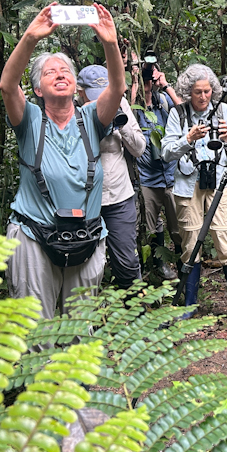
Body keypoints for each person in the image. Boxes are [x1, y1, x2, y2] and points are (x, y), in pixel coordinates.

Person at [0, 3, 125, 320]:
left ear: (75, 85)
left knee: (80, 332)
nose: (59, 74)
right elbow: (7, 85)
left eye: (65, 70)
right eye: (50, 72)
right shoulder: (29, 120)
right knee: (33, 331)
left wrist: (110, 43)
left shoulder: (91, 118)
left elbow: (117, 87)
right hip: (33, 236)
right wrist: (31, 36)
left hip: (87, 236)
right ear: (37, 89)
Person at [162, 64, 227, 322]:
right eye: (197, 92)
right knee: (190, 244)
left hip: (220, 181)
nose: (203, 97)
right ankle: (190, 304)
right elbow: (165, 153)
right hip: (188, 184)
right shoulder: (178, 114)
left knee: (225, 240)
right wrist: (187, 139)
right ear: (189, 92)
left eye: (207, 91)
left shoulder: (223, 110)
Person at [77, 64, 146, 291]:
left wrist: (121, 122)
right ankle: (89, 318)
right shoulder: (68, 110)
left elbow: (139, 149)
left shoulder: (120, 103)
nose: (101, 100)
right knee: (84, 265)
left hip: (119, 197)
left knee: (127, 262)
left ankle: (137, 315)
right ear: (80, 91)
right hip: (84, 201)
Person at [135, 62, 183, 280]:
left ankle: (185, 264)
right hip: (146, 177)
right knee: (153, 226)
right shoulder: (133, 105)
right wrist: (135, 84)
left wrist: (165, 86)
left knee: (179, 225)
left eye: (148, 78)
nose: (147, 83)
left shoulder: (163, 102)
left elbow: (185, 113)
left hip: (171, 174)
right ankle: (159, 266)